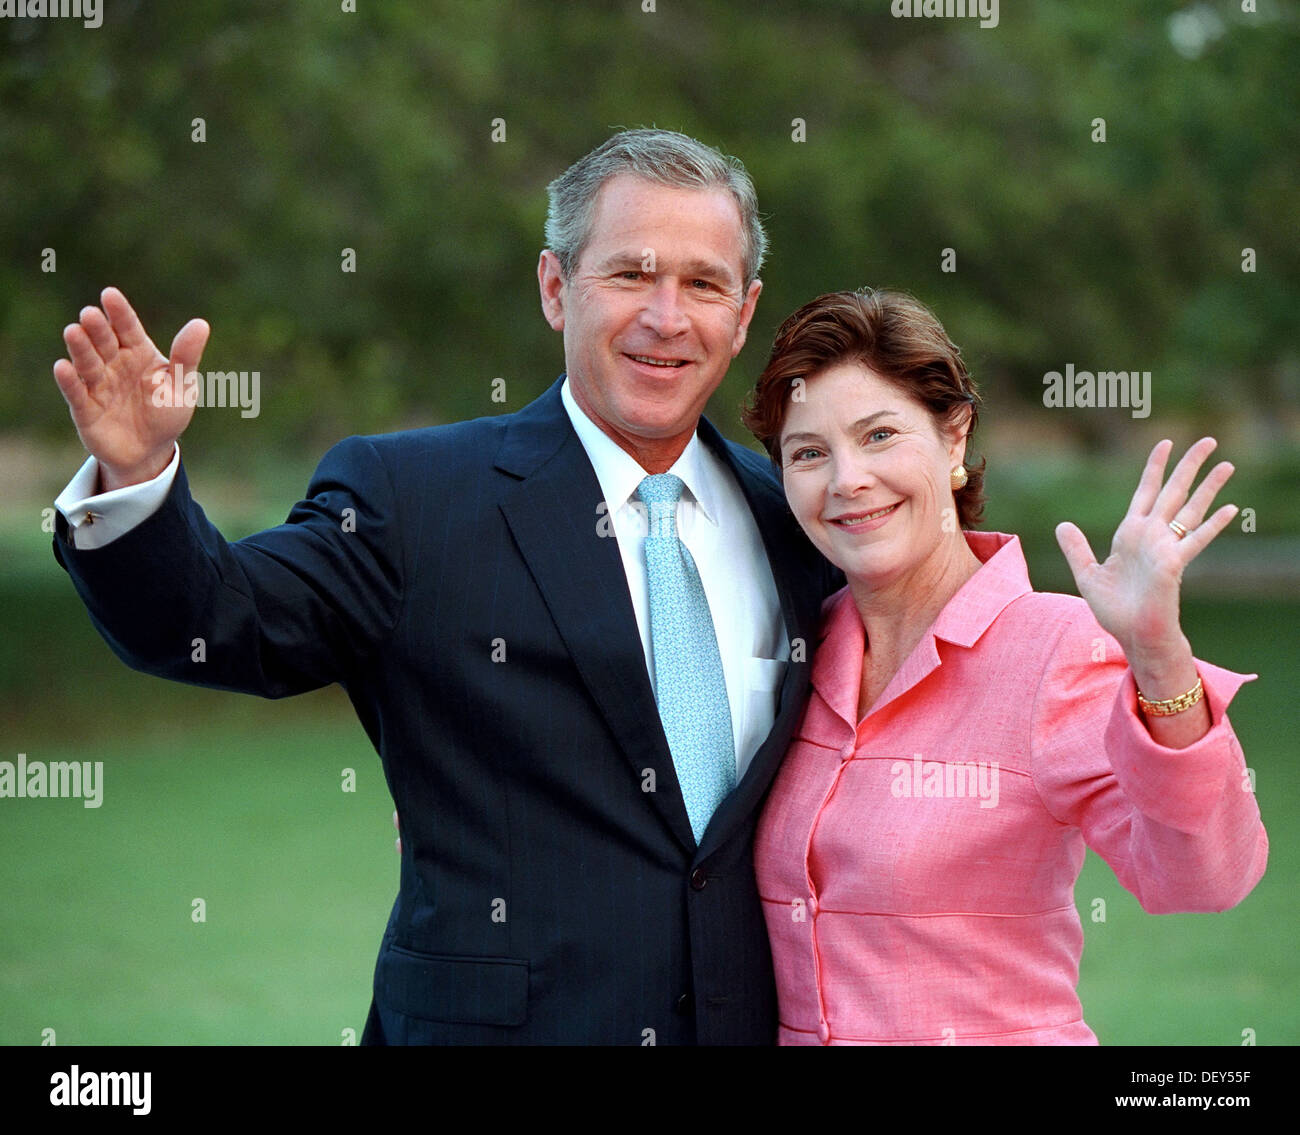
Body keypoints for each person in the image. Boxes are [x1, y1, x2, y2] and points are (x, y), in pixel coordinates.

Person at [48, 129, 839, 1044]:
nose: (668, 317)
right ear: (555, 287)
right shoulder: (411, 500)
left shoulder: (798, 517)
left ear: (743, 314)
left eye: (702, 284)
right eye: (630, 275)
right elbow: (214, 620)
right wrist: (138, 479)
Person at [743, 288, 1269, 1045]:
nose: (846, 478)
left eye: (880, 434)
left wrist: (1157, 655)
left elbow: (1205, 877)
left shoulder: (1055, 650)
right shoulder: (798, 647)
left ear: (953, 439)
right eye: (809, 452)